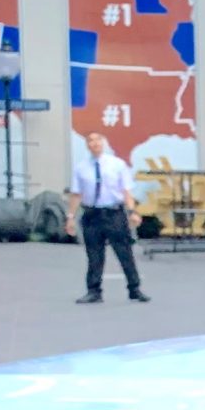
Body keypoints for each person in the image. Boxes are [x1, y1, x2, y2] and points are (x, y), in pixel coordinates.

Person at [68, 130, 150, 304]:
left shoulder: (117, 164)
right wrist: (70, 217)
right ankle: (93, 291)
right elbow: (76, 194)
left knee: (124, 252)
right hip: (92, 214)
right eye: (90, 140)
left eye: (98, 139)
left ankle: (134, 288)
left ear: (103, 142)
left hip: (114, 214)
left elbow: (126, 191)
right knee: (94, 255)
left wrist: (132, 212)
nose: (95, 143)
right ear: (87, 145)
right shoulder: (81, 168)